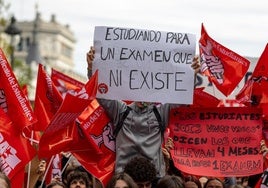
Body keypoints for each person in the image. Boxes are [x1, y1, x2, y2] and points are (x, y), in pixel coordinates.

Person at [86, 46, 201, 178]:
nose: (142, 95)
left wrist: (192, 75)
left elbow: (182, 98)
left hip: (153, 178)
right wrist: (91, 68)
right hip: (125, 178)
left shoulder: (161, 113)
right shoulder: (121, 110)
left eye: (146, 90)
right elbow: (100, 92)